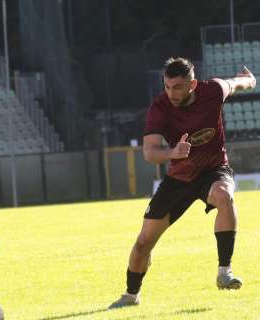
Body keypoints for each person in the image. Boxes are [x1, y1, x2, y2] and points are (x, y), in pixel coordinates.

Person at [108, 58, 256, 309]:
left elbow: (235, 83)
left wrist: (249, 80)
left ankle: (224, 272)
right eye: (167, 86)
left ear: (193, 84)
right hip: (179, 178)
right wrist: (172, 153)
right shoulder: (160, 108)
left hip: (213, 170)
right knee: (144, 242)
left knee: (224, 195)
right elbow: (150, 152)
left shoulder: (213, 91)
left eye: (177, 87)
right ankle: (131, 295)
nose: (171, 93)